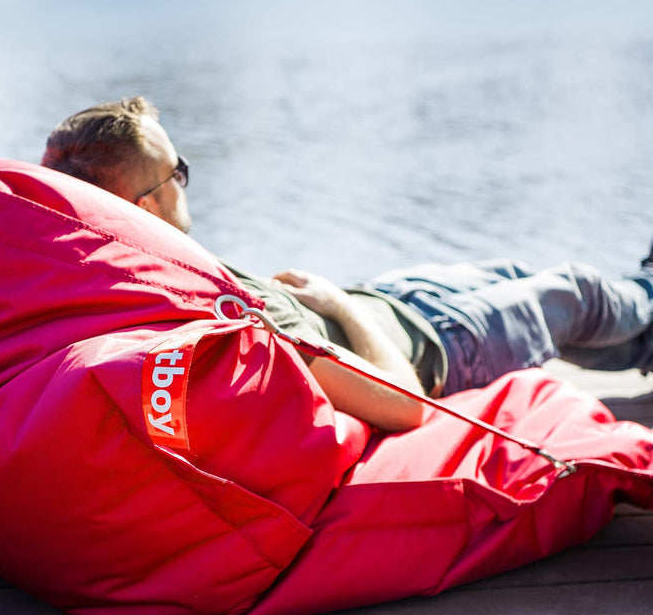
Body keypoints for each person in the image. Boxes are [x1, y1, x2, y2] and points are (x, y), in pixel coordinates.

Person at [42, 97, 653, 432]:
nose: (185, 180)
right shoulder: (225, 309)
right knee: (578, 292)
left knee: (517, 274)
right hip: (439, 345)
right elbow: (406, 403)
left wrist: (343, 303)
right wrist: (337, 305)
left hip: (391, 302)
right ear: (146, 204)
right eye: (178, 171)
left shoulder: (124, 277)